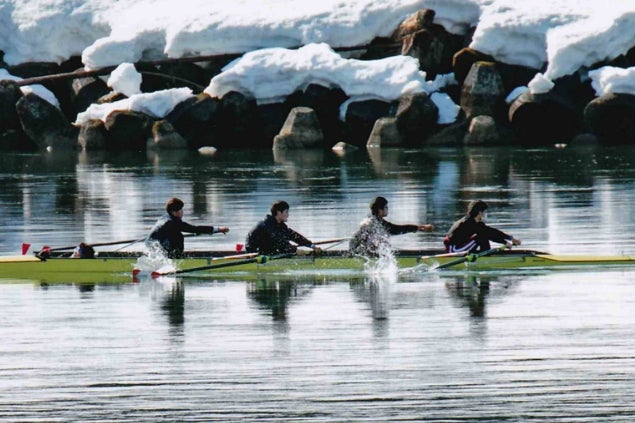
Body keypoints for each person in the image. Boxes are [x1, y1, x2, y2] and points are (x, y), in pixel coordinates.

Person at [349, 196, 434, 257]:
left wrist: (417, 228)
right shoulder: (373, 222)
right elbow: (396, 229)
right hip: (359, 253)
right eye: (386, 207)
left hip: (358, 250)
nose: (387, 209)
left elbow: (394, 229)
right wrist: (421, 227)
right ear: (380, 210)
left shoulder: (373, 220)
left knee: (383, 245)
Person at [147, 197, 229, 258]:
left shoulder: (164, 217)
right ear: (174, 212)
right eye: (181, 210)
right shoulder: (173, 222)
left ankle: (173, 256)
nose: (182, 212)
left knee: (175, 235)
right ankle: (177, 259)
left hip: (151, 244)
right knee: (179, 236)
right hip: (157, 245)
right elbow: (195, 229)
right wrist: (218, 229)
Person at [444, 199, 521, 253]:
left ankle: (485, 254)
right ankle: (485, 255)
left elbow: (492, 232)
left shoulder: (475, 222)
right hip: (454, 249)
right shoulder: (468, 223)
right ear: (480, 212)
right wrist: (505, 242)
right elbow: (488, 234)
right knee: (481, 236)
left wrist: (510, 238)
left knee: (483, 235)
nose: (484, 215)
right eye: (484, 212)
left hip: (460, 246)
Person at [245, 200, 321, 255]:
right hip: (254, 252)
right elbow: (280, 241)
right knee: (283, 247)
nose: (288, 215)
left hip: (267, 249)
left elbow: (294, 236)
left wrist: (312, 246)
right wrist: (295, 250)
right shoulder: (268, 225)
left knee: (283, 247)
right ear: (279, 213)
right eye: (286, 212)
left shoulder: (280, 225)